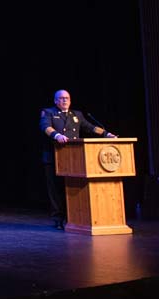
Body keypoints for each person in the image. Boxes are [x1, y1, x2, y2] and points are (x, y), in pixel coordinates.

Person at [39, 89, 116, 230]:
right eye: (61, 98)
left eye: (67, 98)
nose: (64, 100)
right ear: (55, 101)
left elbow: (90, 127)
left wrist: (106, 134)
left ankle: (73, 217)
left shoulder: (76, 114)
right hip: (54, 157)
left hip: (73, 158)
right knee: (55, 190)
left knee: (71, 188)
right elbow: (45, 127)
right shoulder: (48, 112)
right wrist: (57, 135)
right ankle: (58, 219)